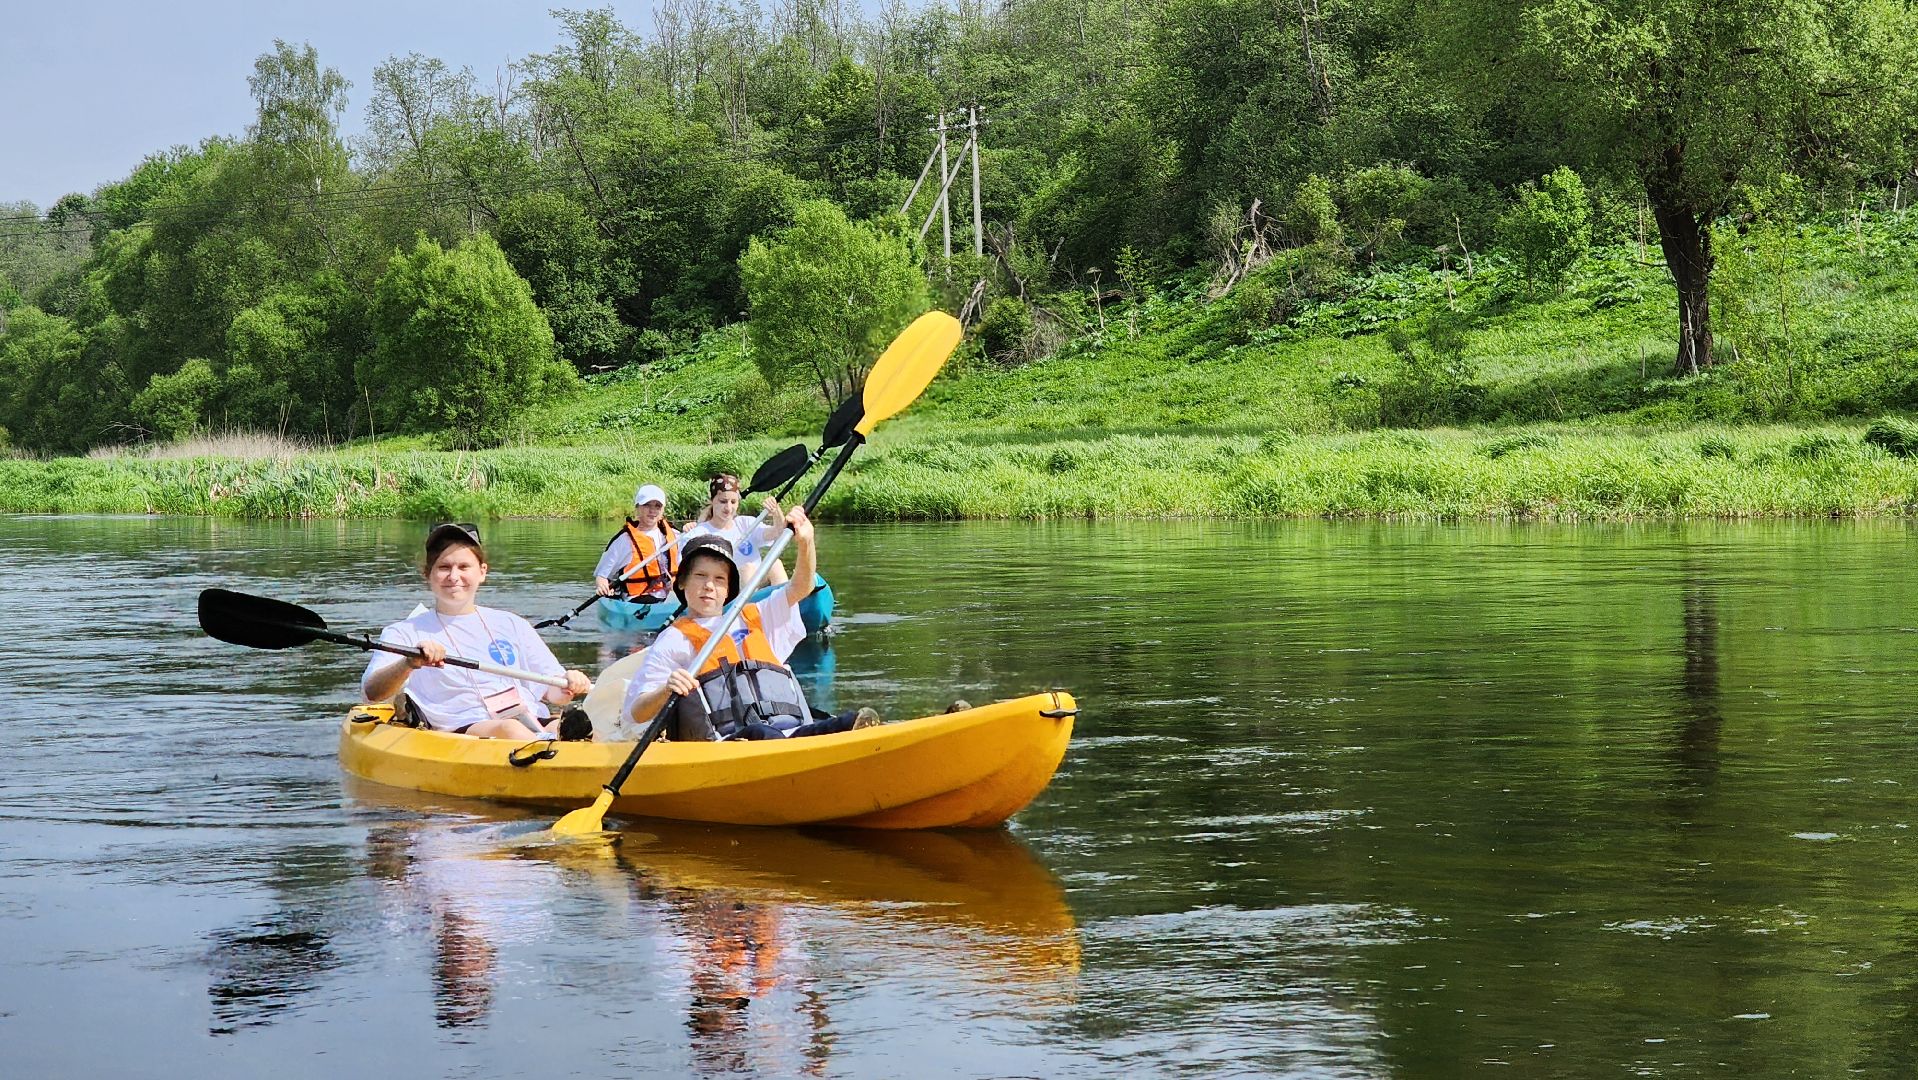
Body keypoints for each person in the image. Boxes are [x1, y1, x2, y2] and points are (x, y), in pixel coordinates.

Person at [622, 518, 879, 741]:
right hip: (731, 743)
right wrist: (666, 689)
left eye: (719, 579)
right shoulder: (673, 640)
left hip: (790, 731)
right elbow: (635, 712)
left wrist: (806, 542)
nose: (709, 586)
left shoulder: (756, 615)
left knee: (846, 721)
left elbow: (801, 587)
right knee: (761, 732)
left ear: (728, 589)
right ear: (682, 584)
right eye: (700, 576)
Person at [363, 522, 593, 740]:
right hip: (464, 727)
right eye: (444, 567)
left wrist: (569, 684)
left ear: (482, 572)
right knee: (510, 730)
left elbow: (552, 692)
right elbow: (372, 692)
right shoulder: (403, 633)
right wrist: (408, 663)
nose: (454, 577)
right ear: (428, 574)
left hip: (528, 720)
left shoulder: (512, 624)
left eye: (464, 567)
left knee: (572, 723)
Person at [683, 473, 788, 586]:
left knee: (775, 564)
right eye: (723, 501)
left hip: (755, 584)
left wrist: (776, 511)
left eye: (733, 502)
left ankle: (787, 603)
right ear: (712, 500)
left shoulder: (747, 523)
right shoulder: (700, 533)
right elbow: (687, 569)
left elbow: (778, 533)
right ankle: (749, 603)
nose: (728, 508)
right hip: (725, 588)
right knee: (747, 569)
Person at [595, 483, 681, 601]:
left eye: (657, 506)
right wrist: (603, 587)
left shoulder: (676, 536)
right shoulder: (623, 541)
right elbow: (602, 576)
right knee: (649, 600)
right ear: (637, 507)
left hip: (672, 597)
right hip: (638, 600)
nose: (652, 510)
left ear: (663, 510)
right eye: (647, 505)